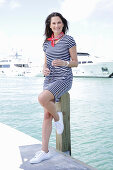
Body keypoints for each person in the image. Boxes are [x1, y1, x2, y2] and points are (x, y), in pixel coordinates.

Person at [30, 12, 78, 164]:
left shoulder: (69, 40)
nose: (56, 26)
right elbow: (46, 62)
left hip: (64, 79)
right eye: (53, 23)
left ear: (63, 24)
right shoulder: (46, 43)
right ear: (49, 26)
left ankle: (58, 117)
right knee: (46, 116)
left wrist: (64, 63)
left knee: (41, 98)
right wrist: (44, 69)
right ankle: (44, 151)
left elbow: (75, 62)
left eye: (59, 23)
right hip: (49, 79)